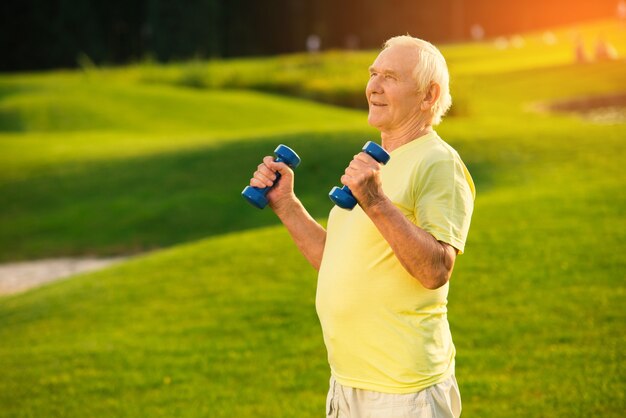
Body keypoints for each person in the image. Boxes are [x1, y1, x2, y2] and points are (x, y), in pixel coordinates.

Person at [248, 35, 475, 417]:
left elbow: (436, 270)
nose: (374, 86)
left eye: (391, 76)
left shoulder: (437, 162)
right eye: (373, 74)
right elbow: (335, 261)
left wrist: (374, 200)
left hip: (404, 391)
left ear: (428, 95)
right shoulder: (377, 165)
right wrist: (286, 204)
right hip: (348, 383)